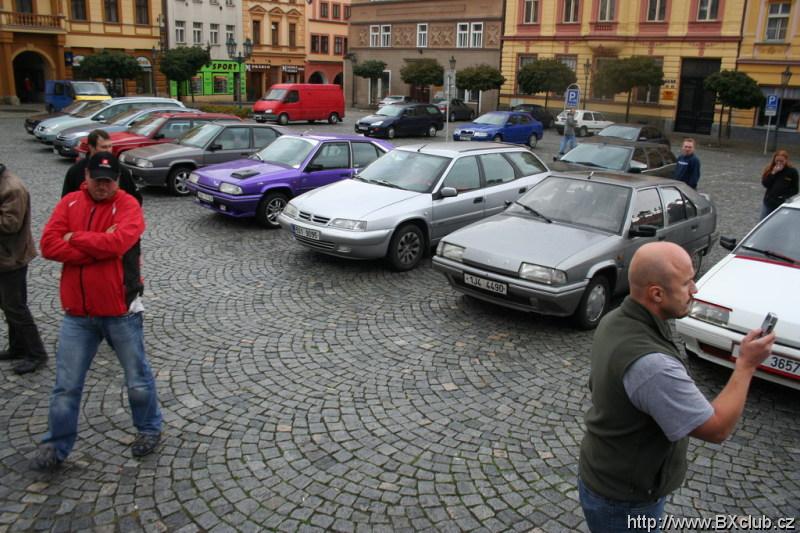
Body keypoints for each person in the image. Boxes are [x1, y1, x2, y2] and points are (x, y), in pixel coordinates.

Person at [578, 242, 774, 533]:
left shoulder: (614, 320)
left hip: (601, 472)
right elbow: (716, 428)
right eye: (686, 283)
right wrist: (746, 365)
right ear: (656, 294)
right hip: (627, 501)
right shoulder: (653, 365)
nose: (695, 289)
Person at [31, 152, 161, 471]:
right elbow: (48, 245)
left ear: (117, 180)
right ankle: (56, 445)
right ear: (85, 176)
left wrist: (75, 240)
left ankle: (149, 429)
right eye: (97, 179)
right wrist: (96, 248)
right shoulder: (70, 204)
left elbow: (118, 244)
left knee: (137, 379)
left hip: (121, 310)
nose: (102, 186)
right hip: (78, 314)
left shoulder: (128, 205)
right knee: (66, 384)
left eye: (109, 180)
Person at [0, 163, 48, 375]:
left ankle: (36, 353)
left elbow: (10, 224)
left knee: (16, 307)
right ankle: (18, 347)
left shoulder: (13, 188)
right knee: (7, 305)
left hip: (13, 257)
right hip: (5, 257)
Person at [62, 129, 141, 202]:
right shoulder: (76, 170)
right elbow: (66, 200)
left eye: (110, 146)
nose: (108, 150)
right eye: (104, 147)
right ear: (91, 147)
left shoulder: (121, 170)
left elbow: (136, 199)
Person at [759, 149, 799, 220]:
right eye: (777, 160)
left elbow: (795, 189)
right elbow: (765, 184)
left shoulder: (792, 172)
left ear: (786, 160)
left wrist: (784, 197)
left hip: (782, 204)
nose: (779, 163)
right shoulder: (770, 169)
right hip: (768, 202)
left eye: (781, 161)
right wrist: (773, 173)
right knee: (764, 221)